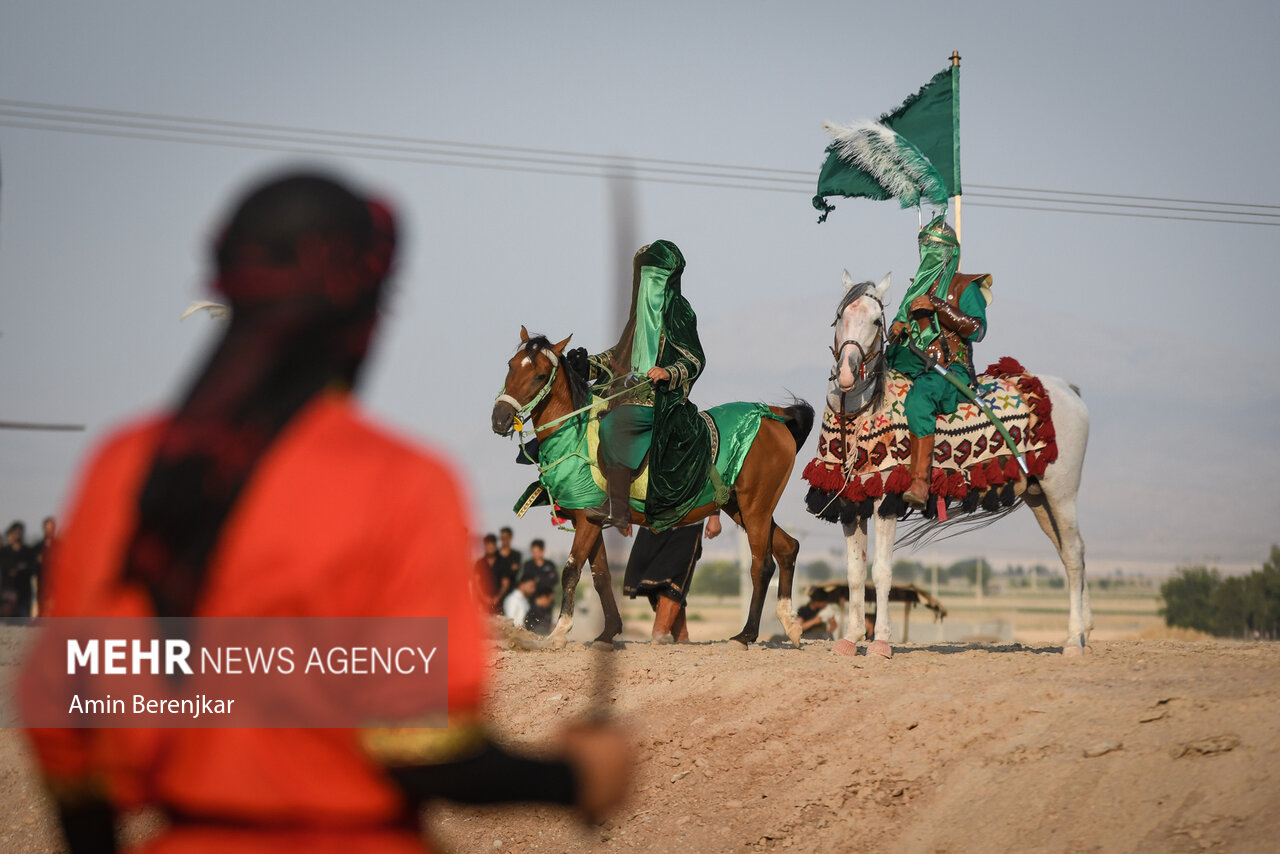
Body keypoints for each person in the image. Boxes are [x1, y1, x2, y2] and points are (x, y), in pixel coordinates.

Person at [23, 171, 630, 854]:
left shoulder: (123, 467)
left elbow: (63, 728)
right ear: (367, 311)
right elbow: (423, 745)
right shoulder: (401, 481)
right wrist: (575, 778)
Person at [586, 241, 713, 535]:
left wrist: (667, 371)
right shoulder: (637, 319)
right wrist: (586, 364)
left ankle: (617, 507)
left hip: (661, 400)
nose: (650, 283)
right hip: (626, 394)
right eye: (646, 276)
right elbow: (616, 356)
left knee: (614, 425)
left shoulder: (679, 312)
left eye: (657, 276)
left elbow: (695, 360)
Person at [886, 214, 991, 508]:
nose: (928, 257)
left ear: (949, 254)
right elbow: (903, 322)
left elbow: (977, 329)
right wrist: (898, 329)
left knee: (919, 400)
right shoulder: (915, 288)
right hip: (912, 364)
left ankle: (920, 483)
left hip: (950, 370)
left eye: (935, 251)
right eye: (925, 250)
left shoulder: (964, 287)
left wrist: (940, 307)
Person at [622, 512, 721, 642]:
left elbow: (715, 490)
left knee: (675, 581)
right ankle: (681, 636)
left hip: (689, 518)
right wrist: (624, 513)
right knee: (651, 581)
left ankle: (659, 635)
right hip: (652, 518)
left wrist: (714, 516)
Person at [0, 521, 36, 622]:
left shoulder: (27, 551)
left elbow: (32, 568)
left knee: (23, 622)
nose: (17, 534)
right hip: (8, 594)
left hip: (24, 593)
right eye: (15, 532)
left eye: (20, 532)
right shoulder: (5, 552)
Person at [474, 532, 503, 612]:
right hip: (482, 602)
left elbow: (505, 583)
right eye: (488, 546)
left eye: (492, 546)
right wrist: (484, 597)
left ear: (495, 546)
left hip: (499, 603)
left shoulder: (503, 562)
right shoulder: (479, 563)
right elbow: (476, 582)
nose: (490, 548)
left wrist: (497, 597)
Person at [493, 526, 522, 598]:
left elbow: (514, 573)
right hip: (495, 592)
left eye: (505, 538)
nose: (503, 541)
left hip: (511, 593)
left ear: (510, 538)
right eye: (502, 538)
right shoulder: (494, 555)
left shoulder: (516, 555)